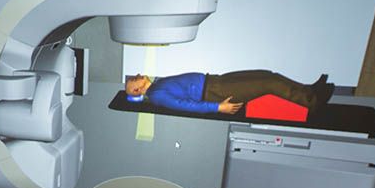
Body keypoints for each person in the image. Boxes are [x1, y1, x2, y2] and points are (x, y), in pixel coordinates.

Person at [124, 69, 335, 115]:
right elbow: (185, 105)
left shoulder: (158, 86)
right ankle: (312, 100)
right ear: (137, 89)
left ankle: (308, 90)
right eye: (135, 79)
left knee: (267, 75)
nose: (139, 75)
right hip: (214, 92)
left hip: (215, 82)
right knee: (268, 83)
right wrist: (219, 107)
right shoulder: (157, 95)